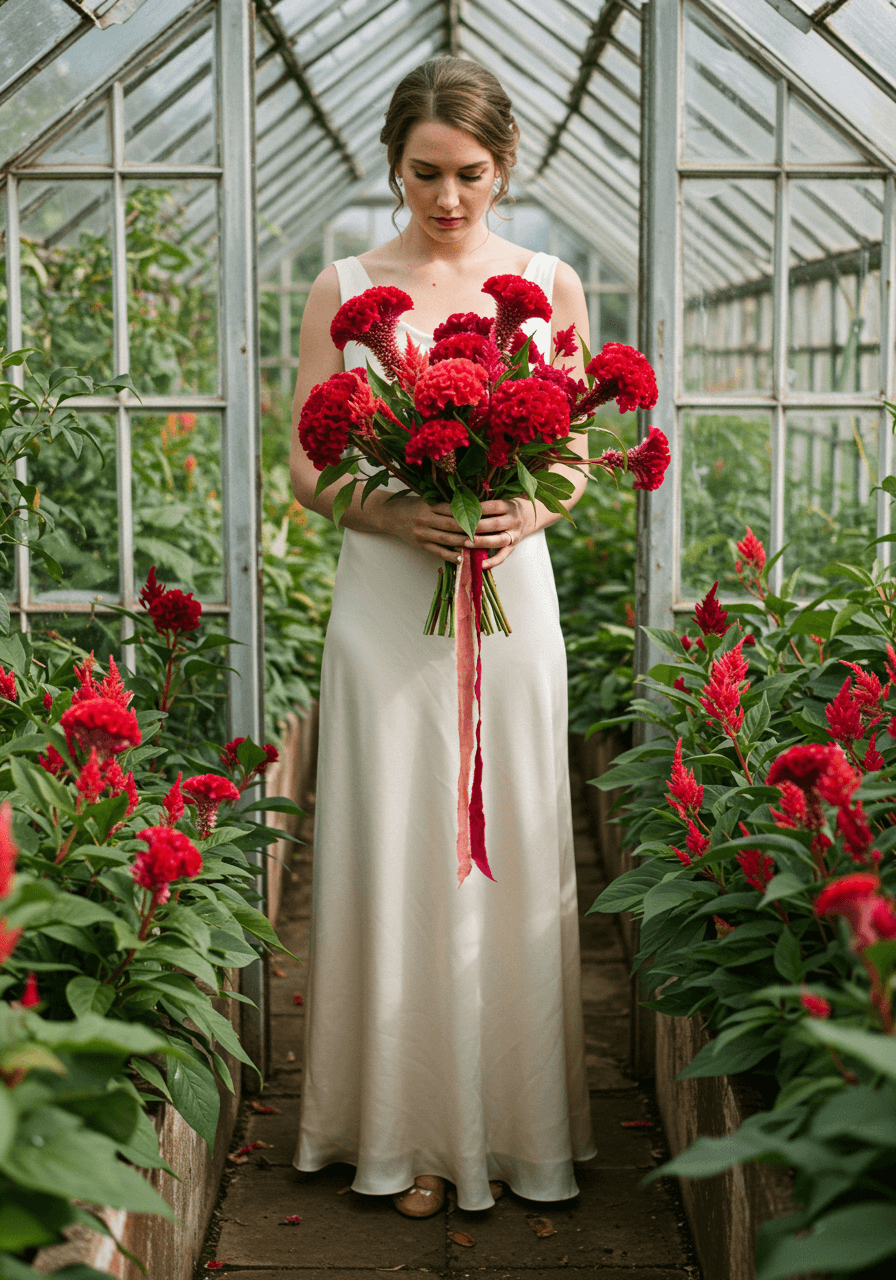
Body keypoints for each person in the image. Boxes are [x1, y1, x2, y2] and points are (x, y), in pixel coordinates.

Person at [289, 56, 596, 1218]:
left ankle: (515, 1132)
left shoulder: (550, 282)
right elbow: (309, 461)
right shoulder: (342, 284)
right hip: (385, 599)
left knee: (507, 833)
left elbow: (566, 451)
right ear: (393, 163)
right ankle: (403, 1132)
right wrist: (386, 508)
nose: (447, 196)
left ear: (504, 164)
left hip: (510, 599)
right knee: (392, 845)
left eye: (469, 173)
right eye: (424, 172)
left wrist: (534, 502)